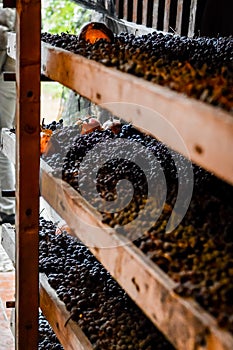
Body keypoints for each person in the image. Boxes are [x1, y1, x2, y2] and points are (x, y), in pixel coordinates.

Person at [0, 4, 16, 225]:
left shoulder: (5, 32)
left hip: (8, 76)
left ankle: (8, 209)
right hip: (8, 74)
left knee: (2, 142)